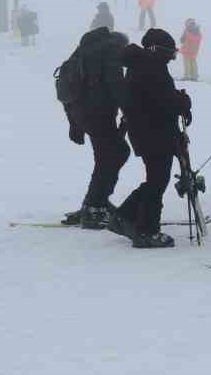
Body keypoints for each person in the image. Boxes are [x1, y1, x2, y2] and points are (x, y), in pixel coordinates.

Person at [113, 29, 191, 248]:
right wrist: (183, 102)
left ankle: (126, 216)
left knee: (155, 179)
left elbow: (157, 98)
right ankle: (147, 231)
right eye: (170, 53)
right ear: (159, 50)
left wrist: (178, 100)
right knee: (157, 180)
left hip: (146, 131)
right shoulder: (151, 67)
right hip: (154, 132)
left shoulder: (141, 65)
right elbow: (163, 100)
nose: (171, 58)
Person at [60, 25, 132, 228]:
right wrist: (129, 111)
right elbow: (116, 85)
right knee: (117, 153)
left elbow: (67, 88)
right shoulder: (112, 51)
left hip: (81, 113)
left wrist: (74, 123)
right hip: (98, 114)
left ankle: (95, 203)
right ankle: (94, 208)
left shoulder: (84, 50)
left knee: (107, 156)